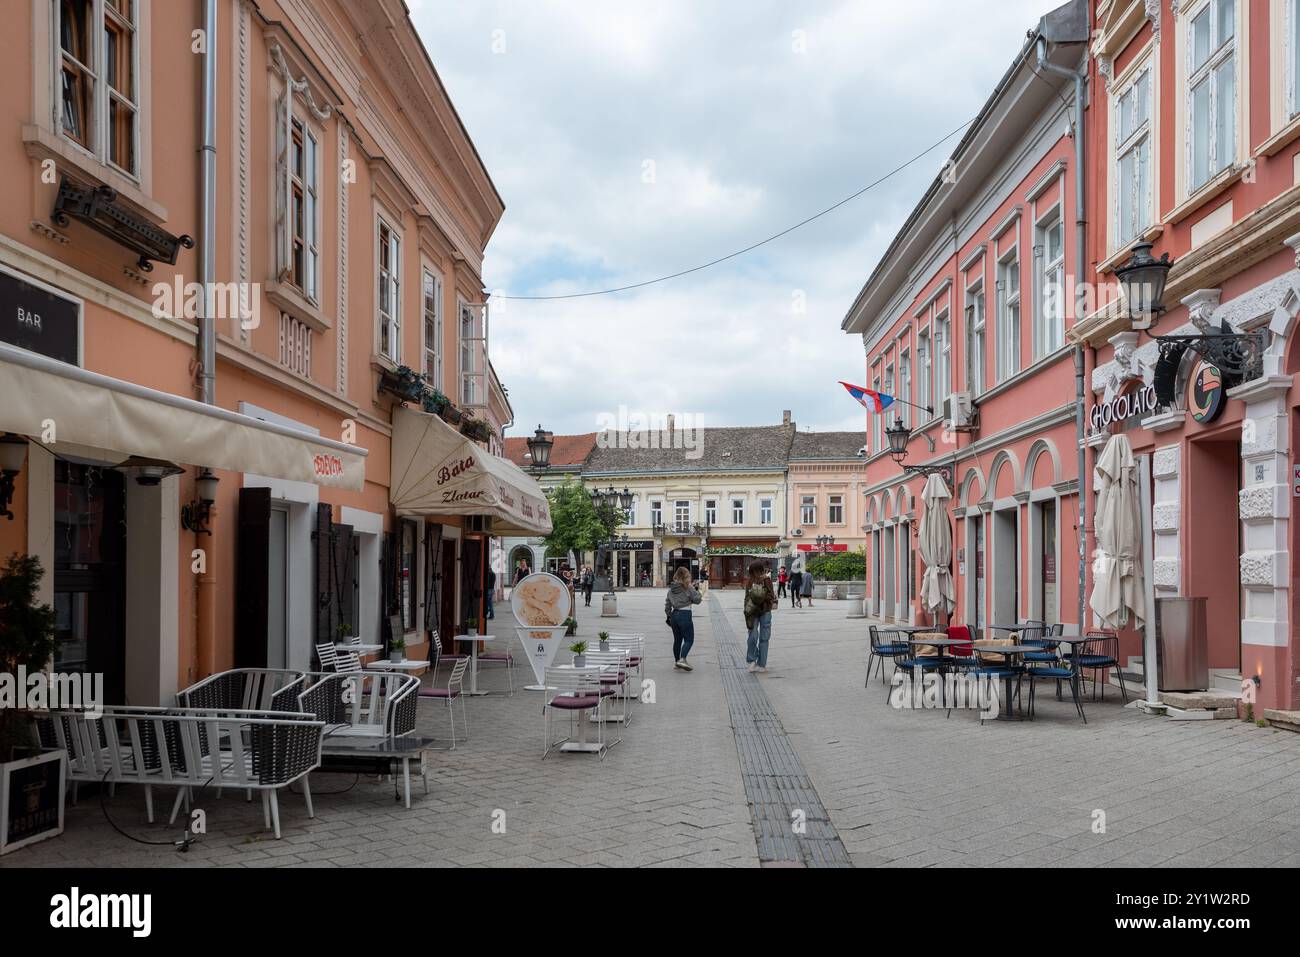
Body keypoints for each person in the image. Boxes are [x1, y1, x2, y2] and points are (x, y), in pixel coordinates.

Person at [664, 566, 702, 671]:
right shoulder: (688, 587)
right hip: (685, 614)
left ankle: (677, 662)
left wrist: (669, 616)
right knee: (689, 639)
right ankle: (683, 659)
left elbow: (667, 605)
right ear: (686, 576)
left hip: (674, 615)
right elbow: (697, 600)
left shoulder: (671, 589)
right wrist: (697, 591)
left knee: (677, 640)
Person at [743, 560, 777, 673]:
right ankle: (752, 660)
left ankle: (761, 664)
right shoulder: (749, 581)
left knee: (763, 638)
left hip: (764, 610)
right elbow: (746, 597)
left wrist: (760, 596)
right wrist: (746, 611)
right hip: (753, 612)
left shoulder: (766, 580)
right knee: (753, 636)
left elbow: (771, 595)